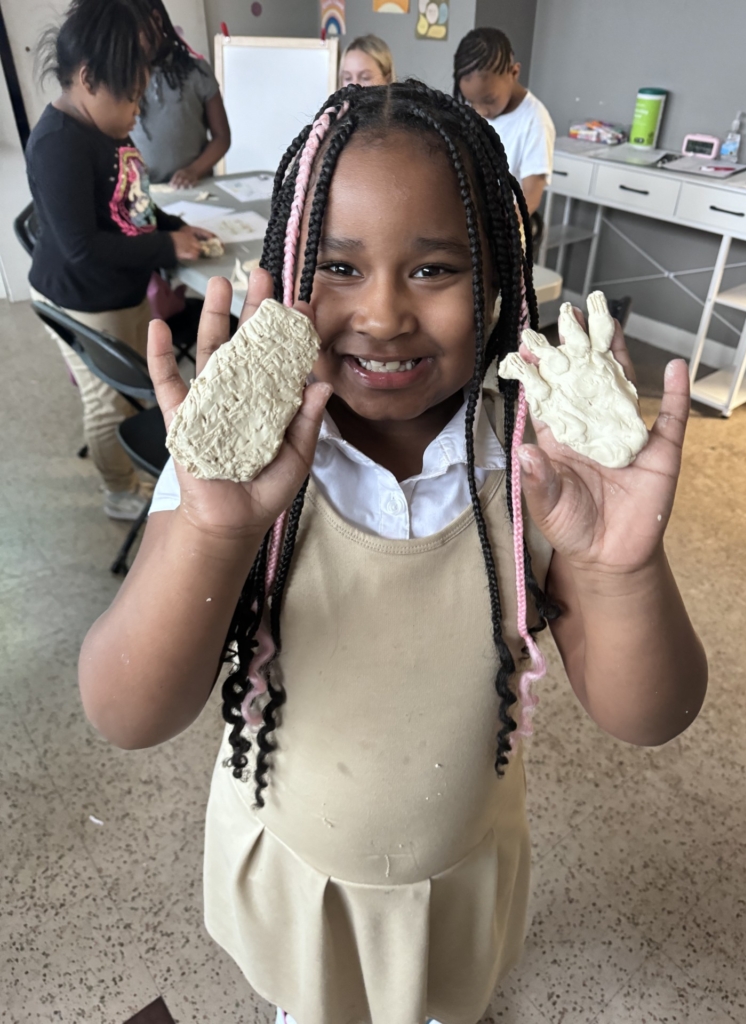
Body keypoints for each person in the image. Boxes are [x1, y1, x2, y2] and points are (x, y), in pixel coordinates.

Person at [78, 82, 707, 1024]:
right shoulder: (236, 459)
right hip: (299, 871)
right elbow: (125, 711)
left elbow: (650, 714)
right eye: (337, 264)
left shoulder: (537, 459)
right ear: (290, 268)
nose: (380, 315)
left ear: (495, 275)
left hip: (454, 878)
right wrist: (213, 531)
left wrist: (622, 566)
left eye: (433, 269)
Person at [28, 0, 214, 519]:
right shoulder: (58, 145)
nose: (138, 110)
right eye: (132, 97)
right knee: (107, 400)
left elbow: (134, 201)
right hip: (81, 298)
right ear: (87, 79)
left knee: (138, 379)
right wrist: (163, 248)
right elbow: (80, 247)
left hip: (121, 290)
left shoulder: (107, 128)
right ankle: (119, 491)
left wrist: (174, 228)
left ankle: (139, 445)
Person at [453, 27, 555, 220]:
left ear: (514, 72)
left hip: (506, 228)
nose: (480, 111)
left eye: (489, 100)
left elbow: (531, 195)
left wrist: (504, 231)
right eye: (471, 102)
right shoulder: (471, 111)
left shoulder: (535, 121)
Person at [130, 0, 231, 187]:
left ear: (157, 19)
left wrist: (193, 170)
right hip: (143, 194)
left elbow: (222, 137)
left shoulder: (197, 72)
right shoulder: (123, 80)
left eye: (133, 32)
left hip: (195, 187)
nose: (128, 42)